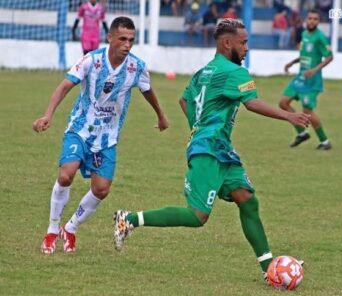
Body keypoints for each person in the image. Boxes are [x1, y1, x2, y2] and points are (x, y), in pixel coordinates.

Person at [113, 19, 310, 282]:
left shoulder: (203, 72)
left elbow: (184, 100)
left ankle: (269, 270)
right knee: (197, 216)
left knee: (247, 200)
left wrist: (198, 127)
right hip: (208, 150)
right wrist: (289, 116)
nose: (247, 48)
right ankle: (129, 219)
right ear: (227, 43)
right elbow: (251, 104)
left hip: (220, 150)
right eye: (243, 43)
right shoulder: (234, 72)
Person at [34, 17, 169, 254]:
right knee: (66, 176)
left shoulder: (136, 67)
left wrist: (160, 115)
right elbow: (65, 86)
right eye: (123, 39)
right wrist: (48, 115)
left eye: (131, 40)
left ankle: (71, 227)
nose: (127, 44)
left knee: (101, 189)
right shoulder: (92, 60)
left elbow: (148, 91)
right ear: (110, 38)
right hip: (80, 129)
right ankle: (52, 229)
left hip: (108, 137)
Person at [279, 9, 333, 150]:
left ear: (318, 22)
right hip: (300, 78)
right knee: (283, 102)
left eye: (315, 19)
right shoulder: (304, 34)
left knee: (308, 112)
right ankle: (302, 133)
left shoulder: (320, 37)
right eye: (310, 18)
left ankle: (325, 141)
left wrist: (314, 70)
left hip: (312, 81)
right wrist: (292, 62)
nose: (312, 21)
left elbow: (329, 57)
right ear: (306, 20)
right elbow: (304, 54)